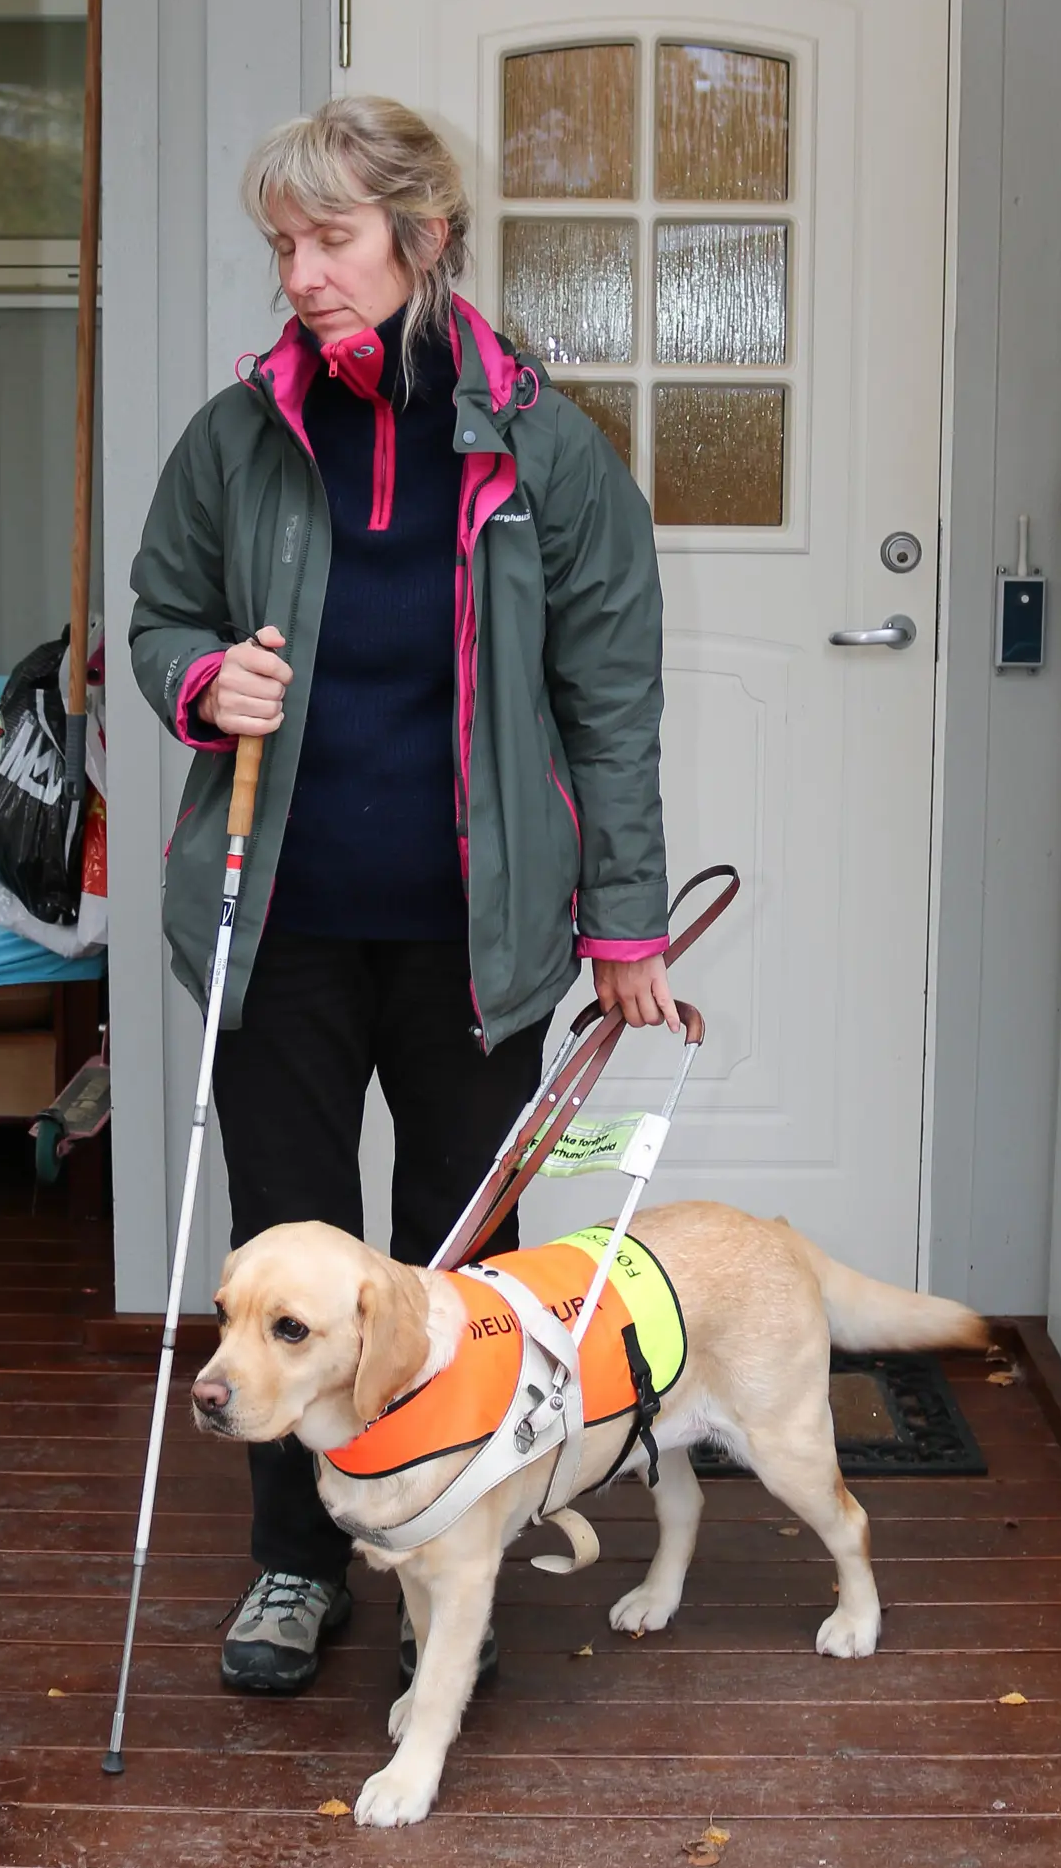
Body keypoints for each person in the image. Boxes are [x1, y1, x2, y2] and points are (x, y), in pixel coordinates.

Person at [128, 95, 672, 1693]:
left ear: (425, 242)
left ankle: (454, 1553)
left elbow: (610, 701)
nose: (299, 271)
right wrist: (201, 681)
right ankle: (297, 1570)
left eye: (332, 238)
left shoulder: (548, 452)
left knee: (462, 1273)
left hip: (478, 944)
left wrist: (625, 926)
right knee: (284, 1273)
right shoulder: (238, 439)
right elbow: (159, 615)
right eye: (282, 242)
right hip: (279, 918)